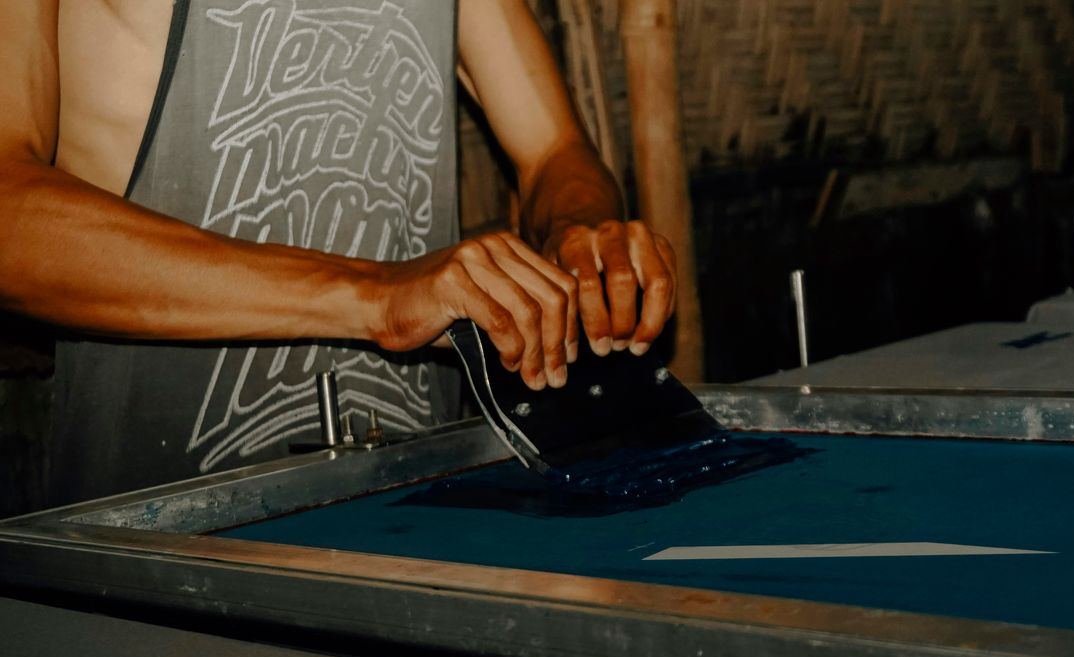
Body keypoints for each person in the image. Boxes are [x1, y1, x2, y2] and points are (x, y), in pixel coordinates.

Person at [0, 0, 678, 504]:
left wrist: (580, 232)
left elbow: (554, 152)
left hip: (429, 501)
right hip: (166, 528)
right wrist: (374, 295)